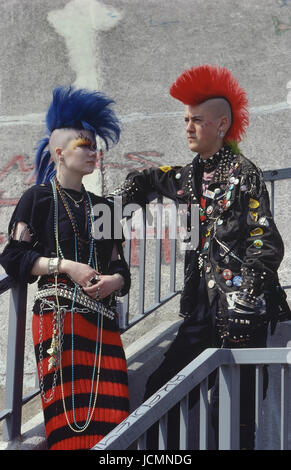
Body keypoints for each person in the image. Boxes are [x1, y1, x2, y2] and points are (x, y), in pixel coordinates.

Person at [109, 65, 291, 449]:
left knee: (235, 413)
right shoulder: (188, 176)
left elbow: (267, 240)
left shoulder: (245, 174)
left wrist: (250, 288)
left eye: (197, 121)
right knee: (162, 392)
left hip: (241, 312)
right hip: (201, 312)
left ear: (221, 125)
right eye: (186, 120)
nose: (188, 128)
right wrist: (118, 208)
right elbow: (145, 179)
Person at [0, 86, 131, 450]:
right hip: (58, 320)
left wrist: (113, 280)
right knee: (69, 423)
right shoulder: (38, 199)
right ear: (60, 153)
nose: (93, 152)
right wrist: (67, 266)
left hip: (102, 321)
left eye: (94, 145)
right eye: (84, 145)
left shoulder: (105, 207)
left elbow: (122, 269)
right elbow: (13, 256)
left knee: (115, 418)